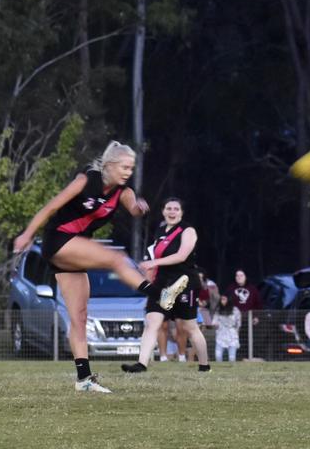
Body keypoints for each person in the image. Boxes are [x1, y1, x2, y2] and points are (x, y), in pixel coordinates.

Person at [12, 141, 184, 393]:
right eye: (124, 167)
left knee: (79, 317)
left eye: (131, 168)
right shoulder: (86, 180)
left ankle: (83, 379)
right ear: (110, 165)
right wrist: (27, 234)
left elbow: (134, 209)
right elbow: (50, 207)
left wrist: (140, 208)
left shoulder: (123, 192)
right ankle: (159, 294)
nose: (128, 172)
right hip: (58, 240)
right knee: (116, 258)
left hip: (76, 248)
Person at [122, 197, 210, 374]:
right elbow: (153, 260)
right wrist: (149, 273)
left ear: (181, 213)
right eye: (168, 208)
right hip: (162, 283)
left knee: (190, 327)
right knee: (152, 322)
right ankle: (141, 364)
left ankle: (204, 365)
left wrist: (154, 262)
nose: (172, 212)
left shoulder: (188, 230)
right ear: (163, 211)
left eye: (176, 209)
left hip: (185, 282)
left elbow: (181, 256)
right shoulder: (160, 230)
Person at [225, 269, 263, 360]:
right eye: (237, 276)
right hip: (234, 319)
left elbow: (258, 304)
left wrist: (257, 316)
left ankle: (249, 356)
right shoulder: (230, 288)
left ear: (245, 277)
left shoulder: (252, 289)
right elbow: (225, 302)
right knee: (234, 338)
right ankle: (237, 357)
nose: (239, 277)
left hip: (249, 318)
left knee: (249, 338)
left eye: (241, 275)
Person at [211, 293, 242, 362]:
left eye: (224, 299)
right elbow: (214, 322)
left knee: (232, 358)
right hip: (221, 335)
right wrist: (215, 325)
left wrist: (237, 335)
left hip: (232, 335)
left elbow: (238, 324)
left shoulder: (235, 310)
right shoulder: (218, 311)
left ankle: (232, 371)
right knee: (218, 356)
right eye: (221, 299)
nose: (222, 301)